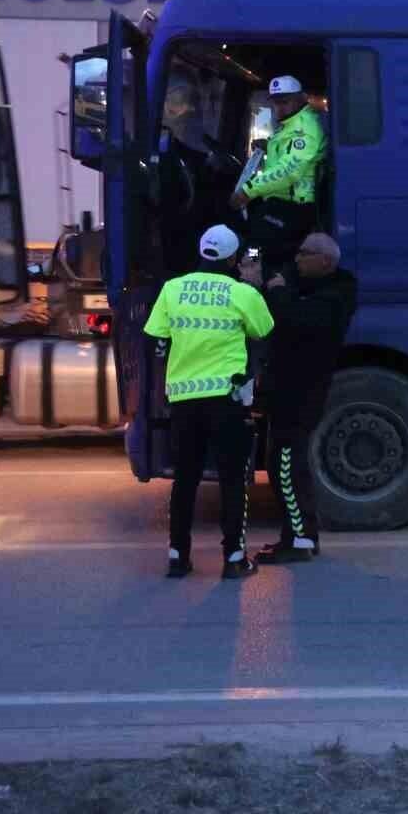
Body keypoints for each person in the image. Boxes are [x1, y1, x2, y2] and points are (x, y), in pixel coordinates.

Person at [144, 224, 275, 579]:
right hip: (227, 400)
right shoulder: (242, 293)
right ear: (232, 258)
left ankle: (177, 556)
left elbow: (155, 340)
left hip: (184, 401)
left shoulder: (172, 290)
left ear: (202, 252)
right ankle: (233, 559)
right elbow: (264, 333)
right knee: (233, 479)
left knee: (185, 478)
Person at [256, 233, 358, 564]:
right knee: (285, 464)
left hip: (300, 393)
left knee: (285, 466)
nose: (297, 259)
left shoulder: (335, 296)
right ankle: (300, 536)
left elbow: (293, 320)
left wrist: (275, 289)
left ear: (326, 261)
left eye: (305, 253)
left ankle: (299, 540)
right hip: (288, 390)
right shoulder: (312, 286)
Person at [232, 75, 328, 278]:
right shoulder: (290, 125)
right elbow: (287, 155)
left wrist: (248, 190)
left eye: (285, 102)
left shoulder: (304, 128)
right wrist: (268, 146)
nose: (279, 108)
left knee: (256, 242)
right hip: (280, 202)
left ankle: (252, 280)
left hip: (295, 208)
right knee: (254, 229)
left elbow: (289, 171)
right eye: (276, 103)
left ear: (300, 99)